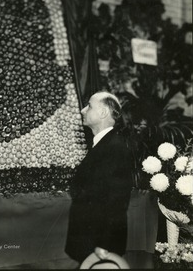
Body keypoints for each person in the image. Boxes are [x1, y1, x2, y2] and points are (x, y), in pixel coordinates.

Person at [65, 91, 133, 264]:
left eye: (89, 105)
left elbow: (117, 201)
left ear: (103, 113)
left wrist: (104, 244)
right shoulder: (103, 145)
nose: (82, 110)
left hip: (100, 247)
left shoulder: (114, 149)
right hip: (91, 242)